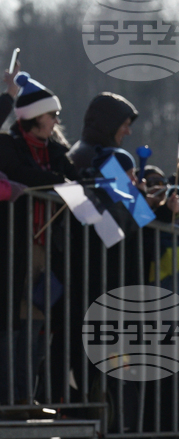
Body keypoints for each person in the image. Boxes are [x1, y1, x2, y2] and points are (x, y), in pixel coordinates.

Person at [0, 71, 76, 405]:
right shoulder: (9, 145)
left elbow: (75, 178)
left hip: (46, 248)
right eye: (51, 113)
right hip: (16, 247)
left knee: (37, 326)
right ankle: (11, 398)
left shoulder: (57, 151)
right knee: (14, 324)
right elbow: (18, 174)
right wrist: (54, 183)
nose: (57, 119)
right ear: (32, 118)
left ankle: (26, 396)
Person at [66, 92, 138, 171]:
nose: (128, 132)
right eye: (124, 125)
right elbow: (122, 183)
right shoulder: (98, 159)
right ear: (109, 124)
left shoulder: (85, 152)